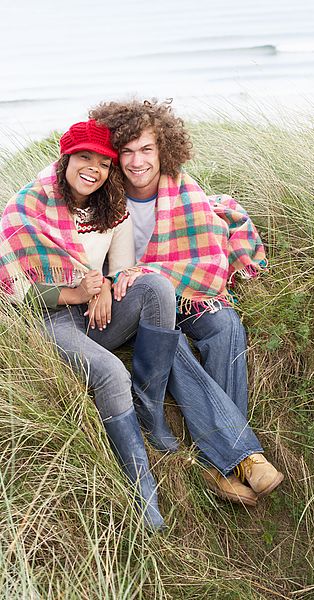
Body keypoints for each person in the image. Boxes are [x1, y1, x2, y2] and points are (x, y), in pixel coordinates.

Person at [89, 99, 284, 506]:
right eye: (125, 151)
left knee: (225, 324)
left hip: (188, 293)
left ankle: (218, 465)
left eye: (146, 149)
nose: (136, 161)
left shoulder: (184, 191)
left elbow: (203, 257)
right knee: (171, 343)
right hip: (137, 299)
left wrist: (164, 274)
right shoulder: (106, 198)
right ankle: (242, 458)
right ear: (114, 155)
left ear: (164, 149)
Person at [0, 119, 179, 531]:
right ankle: (143, 491)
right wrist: (78, 294)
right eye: (84, 158)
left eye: (102, 162)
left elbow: (121, 272)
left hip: (93, 313)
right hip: (47, 319)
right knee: (112, 372)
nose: (93, 169)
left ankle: (150, 410)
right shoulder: (27, 206)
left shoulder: (110, 208)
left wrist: (101, 289)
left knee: (156, 289)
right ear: (66, 159)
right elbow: (11, 290)